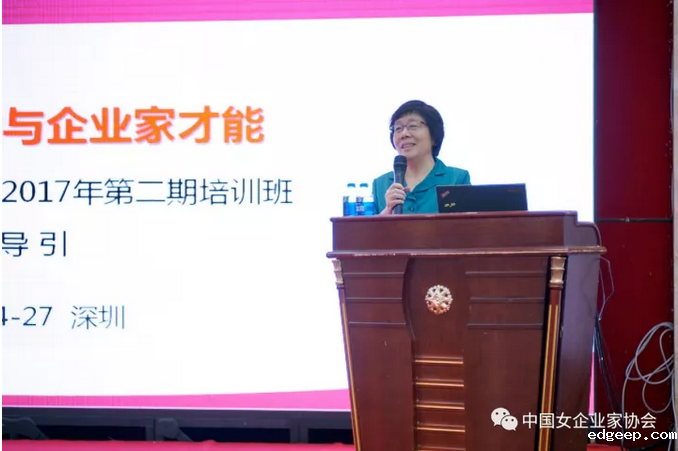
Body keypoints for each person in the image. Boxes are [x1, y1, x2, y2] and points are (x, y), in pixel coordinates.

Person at [372, 100, 471, 215]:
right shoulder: (380, 184)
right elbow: (367, 226)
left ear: (434, 137)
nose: (404, 134)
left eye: (413, 126)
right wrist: (388, 210)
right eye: (398, 128)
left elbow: (468, 224)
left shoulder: (456, 179)